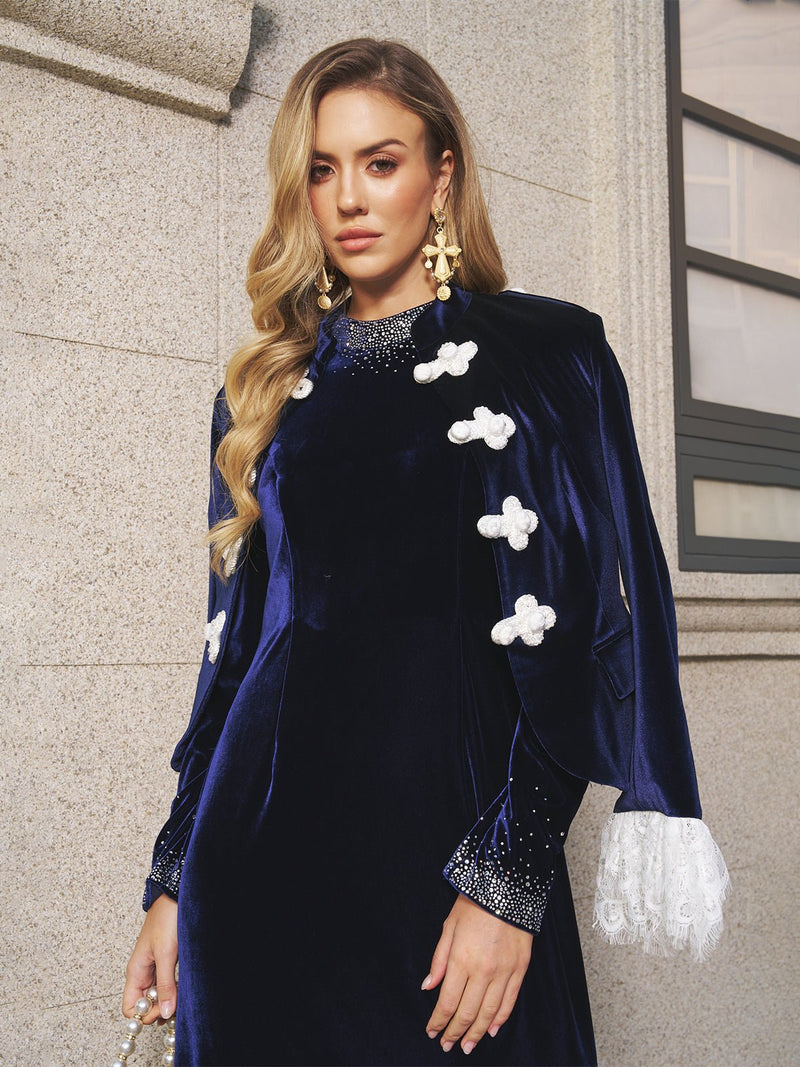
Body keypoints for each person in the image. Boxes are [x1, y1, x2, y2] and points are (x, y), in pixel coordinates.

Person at [121, 37, 730, 1067]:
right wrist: (173, 878)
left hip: (452, 857)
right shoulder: (262, 390)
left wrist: (510, 872)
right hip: (258, 861)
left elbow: (589, 623)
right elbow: (230, 665)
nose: (349, 197)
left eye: (380, 161)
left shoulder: (545, 355)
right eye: (321, 169)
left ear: (439, 173)